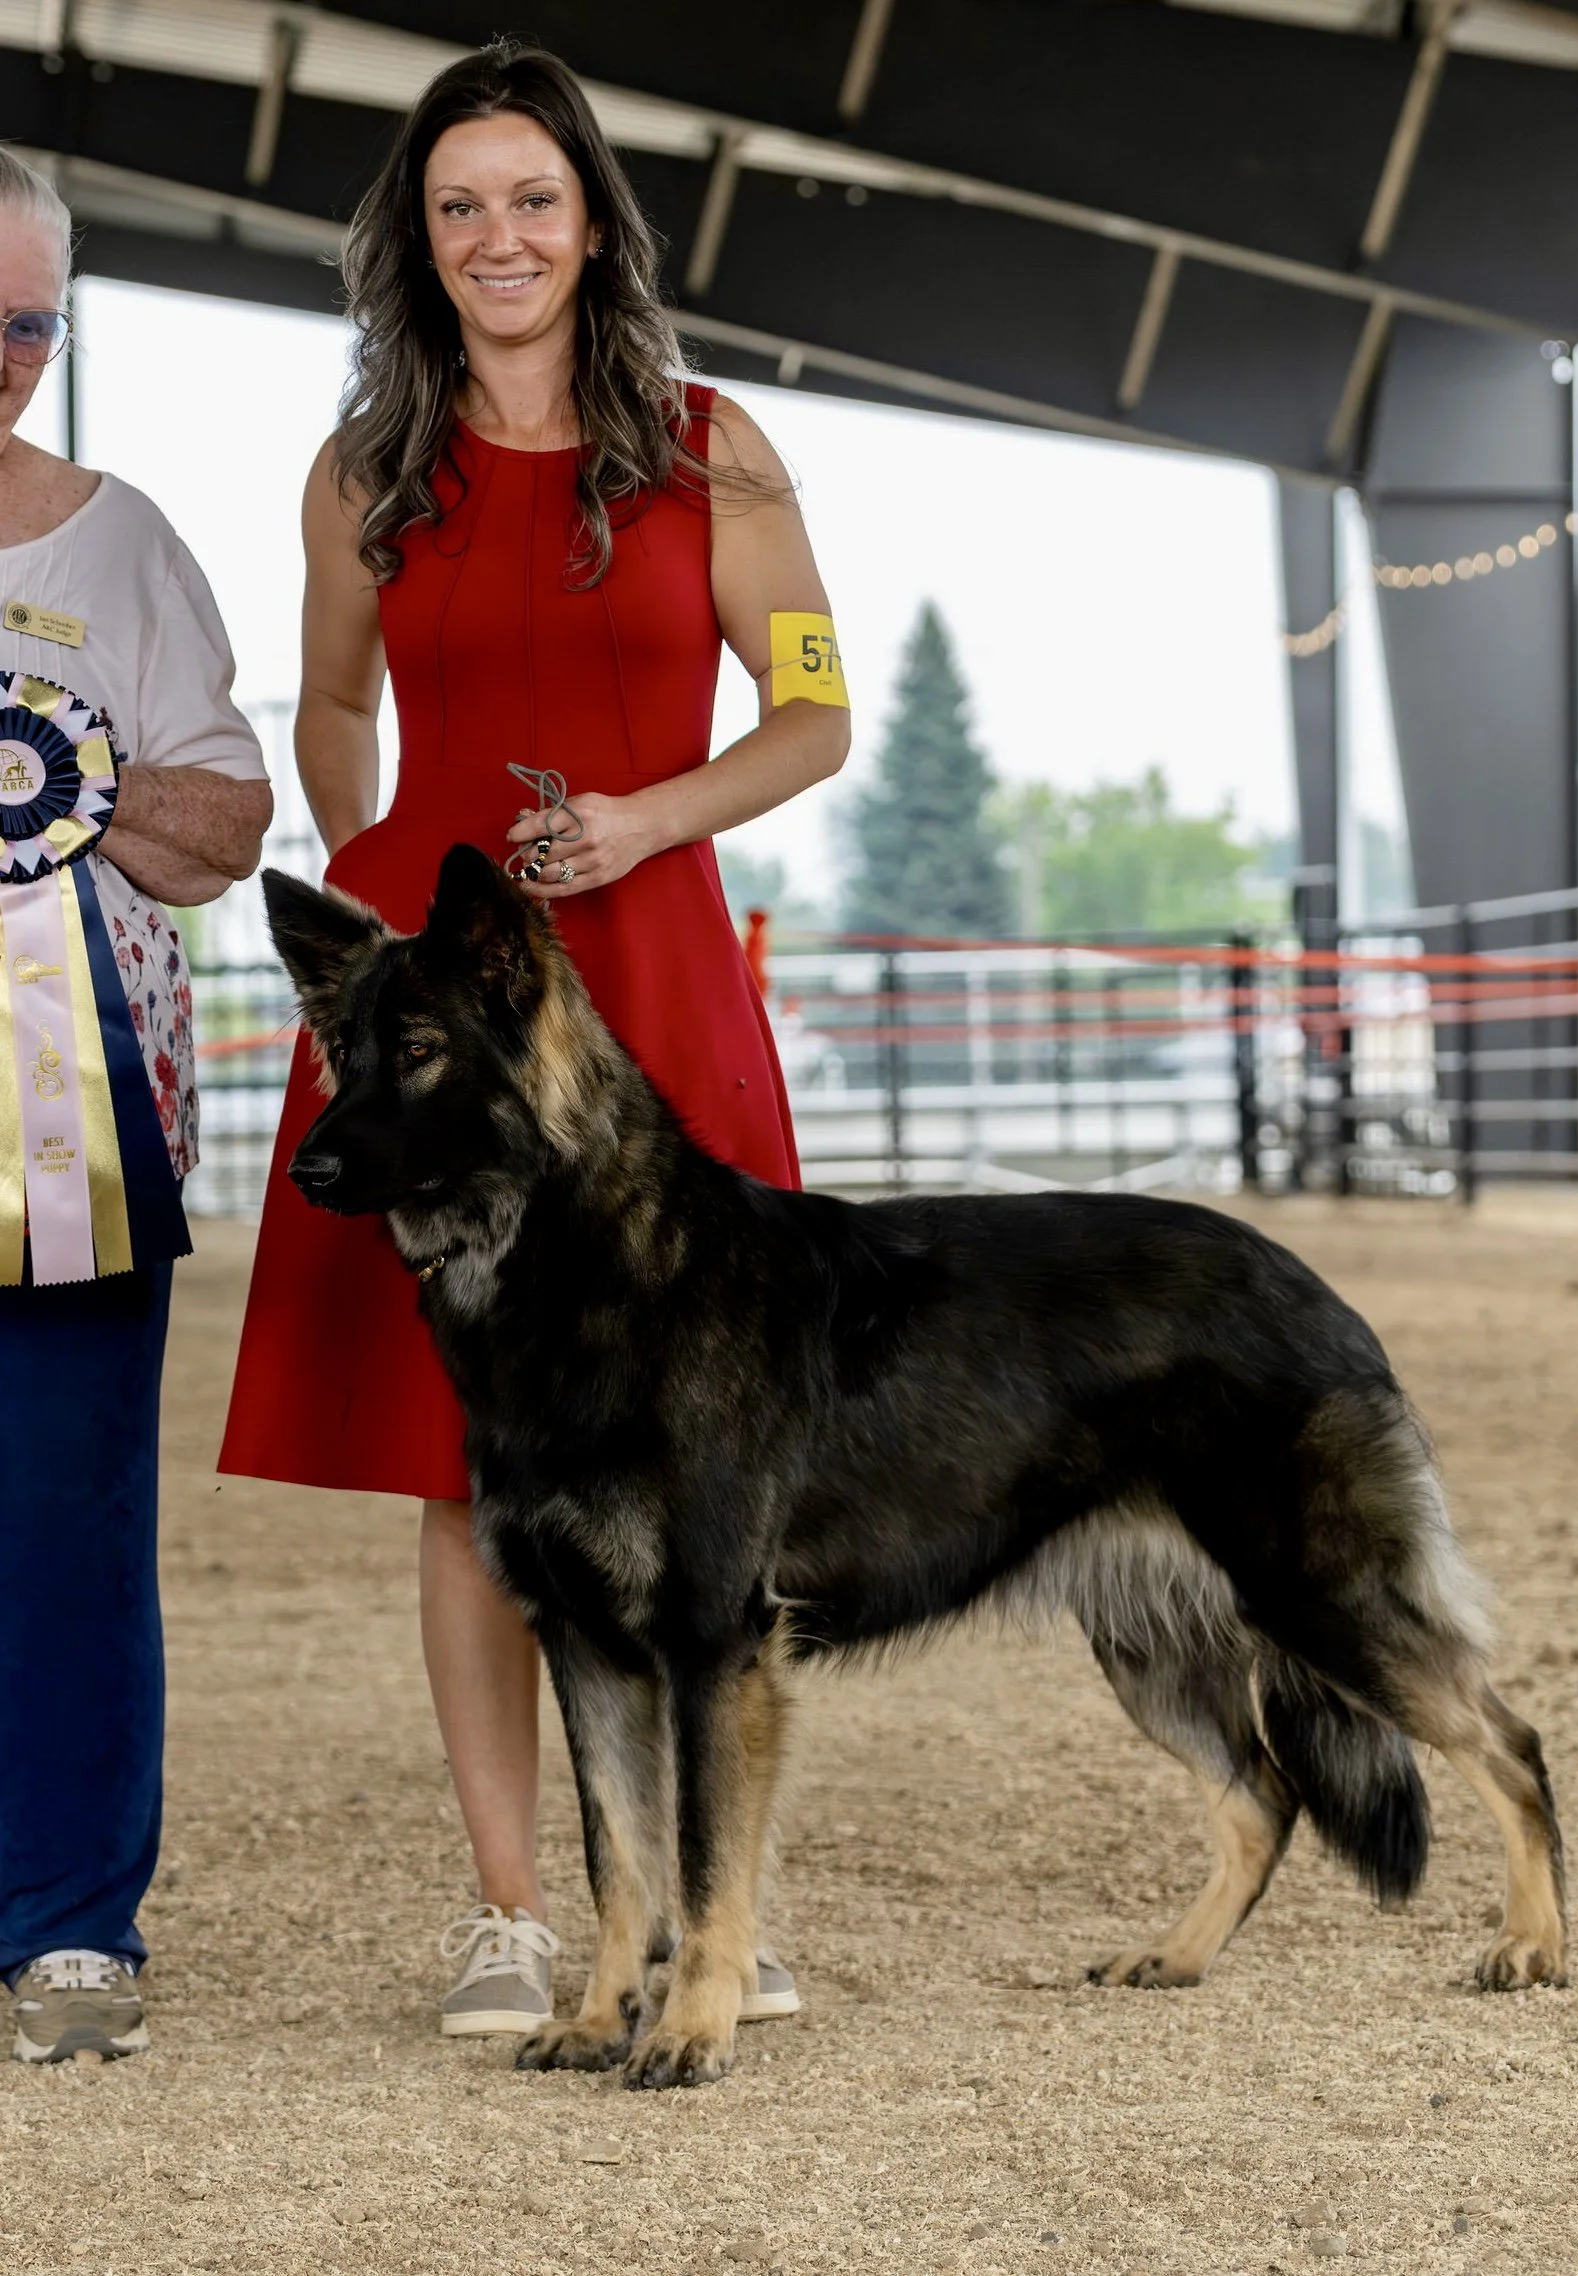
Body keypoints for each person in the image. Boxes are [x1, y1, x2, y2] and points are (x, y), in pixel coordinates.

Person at [219, 43, 849, 2043]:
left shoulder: (715, 450)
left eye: (533, 197)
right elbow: (325, 705)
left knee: (708, 1462)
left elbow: (815, 713)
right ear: (420, 236)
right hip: (438, 1001)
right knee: (462, 1472)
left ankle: (713, 1909)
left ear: (592, 218)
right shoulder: (363, 470)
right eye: (459, 203)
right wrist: (367, 852)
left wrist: (656, 814)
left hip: (654, 975)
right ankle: (514, 1914)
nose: (499, 237)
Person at [0, 149, 272, 2061]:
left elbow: (231, 825)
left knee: (72, 1508)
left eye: (28, 324)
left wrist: (75, 788)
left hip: (66, 1122)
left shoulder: (124, 544)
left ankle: (74, 1918)